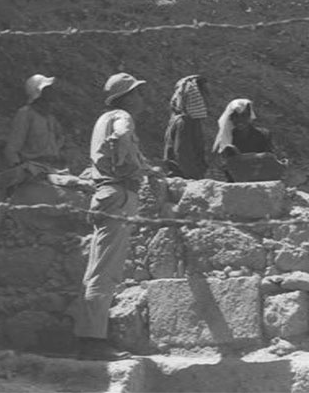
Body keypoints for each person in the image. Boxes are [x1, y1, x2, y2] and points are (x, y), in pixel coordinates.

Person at [74, 72, 156, 361]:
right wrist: (127, 163)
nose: (142, 99)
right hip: (118, 193)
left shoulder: (103, 118)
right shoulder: (122, 116)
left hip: (105, 194)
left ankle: (89, 337)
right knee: (105, 271)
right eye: (138, 93)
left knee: (97, 268)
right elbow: (121, 136)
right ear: (127, 96)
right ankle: (93, 342)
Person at [211, 98, 282, 181]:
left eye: (244, 116)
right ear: (231, 118)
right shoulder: (227, 139)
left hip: (260, 179)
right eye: (236, 116)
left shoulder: (263, 135)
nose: (240, 120)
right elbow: (223, 165)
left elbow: (269, 159)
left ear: (249, 116)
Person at [163, 75, 211, 179]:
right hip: (184, 179)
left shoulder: (186, 121)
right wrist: (196, 179)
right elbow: (183, 156)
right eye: (203, 93)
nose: (207, 97)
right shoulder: (185, 122)